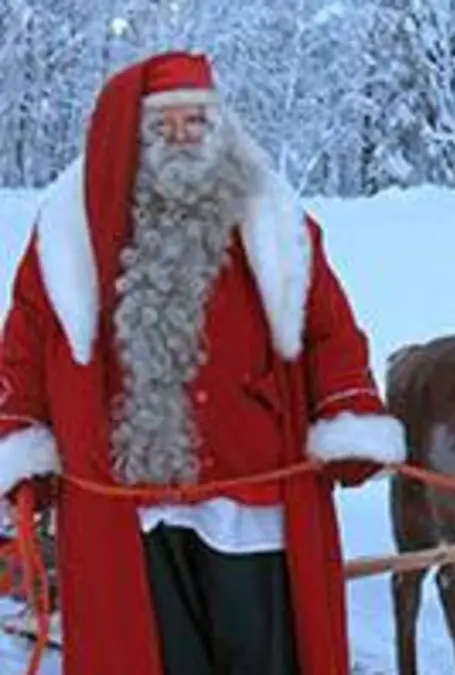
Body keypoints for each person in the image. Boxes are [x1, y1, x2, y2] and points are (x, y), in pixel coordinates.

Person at [0, 50, 407, 675]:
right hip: (127, 502)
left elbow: (327, 329)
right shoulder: (68, 227)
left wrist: (347, 411)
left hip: (255, 492)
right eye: (163, 126)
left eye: (196, 122)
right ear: (131, 136)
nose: (182, 138)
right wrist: (19, 442)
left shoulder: (272, 217)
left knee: (267, 656)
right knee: (154, 656)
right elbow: (25, 345)